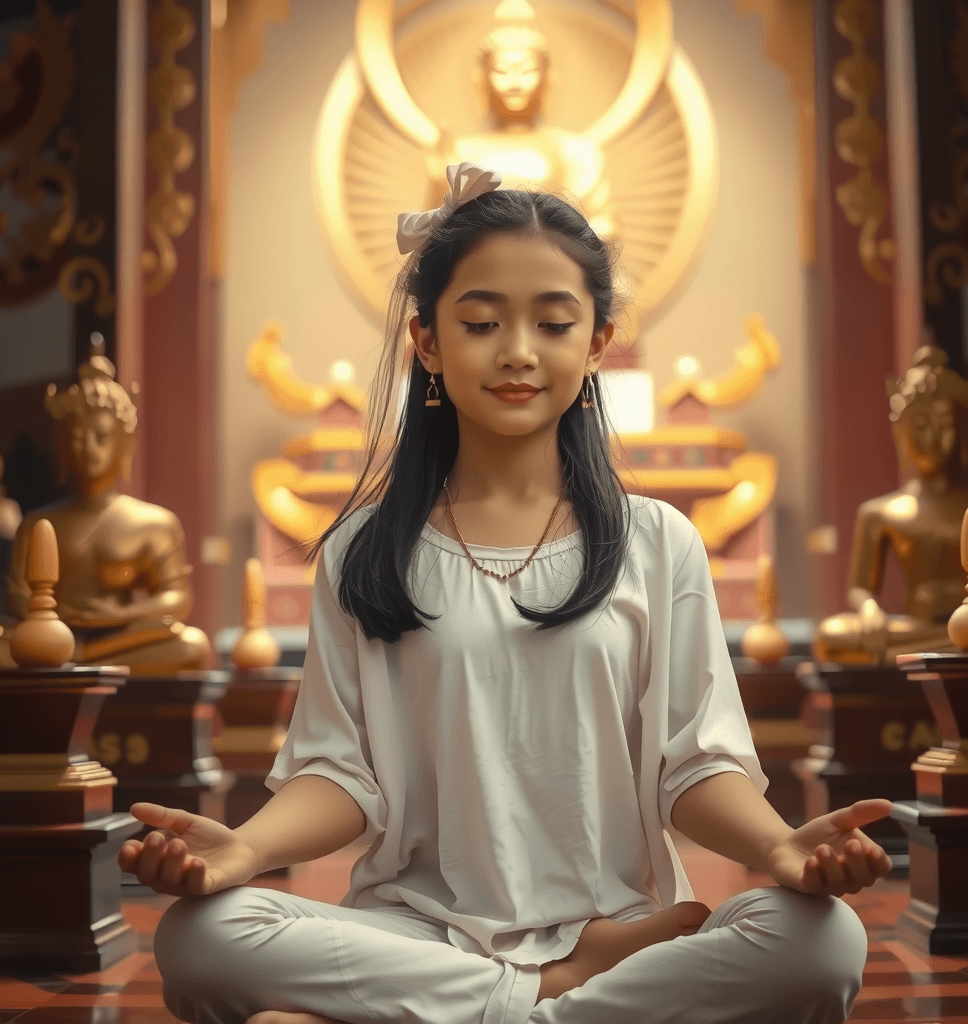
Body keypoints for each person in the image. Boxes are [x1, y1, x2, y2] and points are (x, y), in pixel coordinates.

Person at [120, 163, 893, 1024]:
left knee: (823, 942)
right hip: (416, 933)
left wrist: (782, 848)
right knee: (200, 937)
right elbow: (342, 774)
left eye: (554, 322)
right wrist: (244, 851)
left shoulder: (656, 543)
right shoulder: (362, 552)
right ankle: (550, 998)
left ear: (597, 342)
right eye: (482, 322)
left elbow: (696, 764)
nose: (518, 350)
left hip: (620, 921)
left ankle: (473, 1010)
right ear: (427, 342)